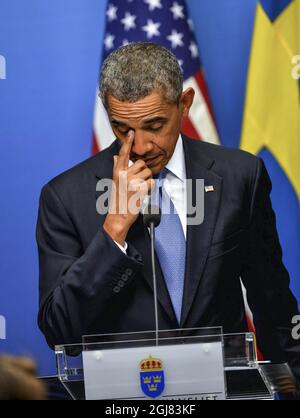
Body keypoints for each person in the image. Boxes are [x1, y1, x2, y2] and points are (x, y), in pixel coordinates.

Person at [37, 43, 300, 383]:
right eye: (123, 129)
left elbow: (273, 303)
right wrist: (114, 230)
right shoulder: (64, 198)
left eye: (155, 124)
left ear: (185, 104)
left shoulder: (240, 176)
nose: (142, 146)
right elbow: (60, 331)